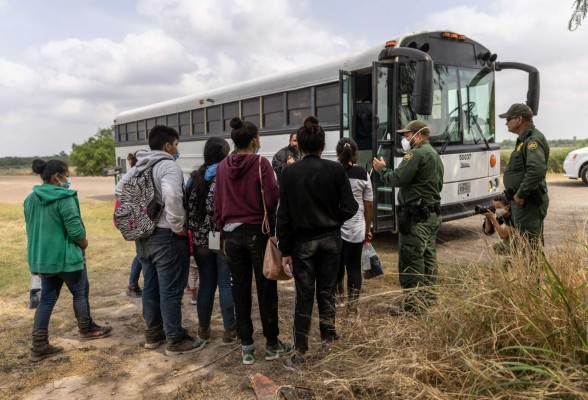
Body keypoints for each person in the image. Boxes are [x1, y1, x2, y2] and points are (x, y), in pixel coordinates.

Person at [115, 125, 205, 356]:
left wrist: (141, 213)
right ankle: (175, 339)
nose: (177, 149)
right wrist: (177, 226)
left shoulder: (138, 166)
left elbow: (119, 190)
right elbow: (173, 195)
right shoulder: (168, 165)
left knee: (150, 287)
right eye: (176, 144)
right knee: (171, 290)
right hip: (166, 236)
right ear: (168, 145)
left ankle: (153, 334)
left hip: (143, 236)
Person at [277, 116, 358, 367]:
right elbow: (350, 207)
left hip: (302, 244)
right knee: (327, 292)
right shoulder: (335, 169)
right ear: (322, 146)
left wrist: (285, 249)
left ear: (299, 146)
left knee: (304, 295)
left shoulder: (289, 172)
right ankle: (329, 337)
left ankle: (300, 348)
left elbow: (284, 216)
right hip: (331, 240)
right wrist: (334, 220)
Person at [214, 117, 291, 365]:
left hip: (231, 235)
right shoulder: (261, 164)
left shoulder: (223, 166)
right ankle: (271, 345)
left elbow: (217, 202)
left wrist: (221, 231)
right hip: (257, 233)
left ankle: (246, 346)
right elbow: (272, 198)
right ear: (255, 140)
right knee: (266, 289)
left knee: (240, 289)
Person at [24, 159, 112, 362]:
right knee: (80, 293)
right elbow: (75, 229)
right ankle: (87, 328)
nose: (68, 179)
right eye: (67, 175)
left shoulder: (30, 199)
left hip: (44, 259)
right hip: (67, 259)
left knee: (47, 299)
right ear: (58, 176)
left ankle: (39, 345)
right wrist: (84, 243)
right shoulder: (65, 197)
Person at [372, 120, 444, 316]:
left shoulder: (416, 154)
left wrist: (381, 169)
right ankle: (428, 299)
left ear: (418, 135)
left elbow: (397, 179)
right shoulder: (434, 155)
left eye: (406, 135)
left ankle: (413, 307)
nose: (405, 139)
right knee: (428, 258)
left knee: (411, 259)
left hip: (416, 218)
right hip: (431, 216)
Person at [187, 137, 237, 344]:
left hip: (199, 238)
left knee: (206, 283)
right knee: (225, 283)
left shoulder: (194, 176)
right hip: (217, 236)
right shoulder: (225, 175)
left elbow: (184, 202)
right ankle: (229, 331)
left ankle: (204, 329)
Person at [500, 103, 550, 251]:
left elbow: (536, 170)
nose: (506, 123)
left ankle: (534, 274)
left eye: (509, 119)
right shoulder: (524, 140)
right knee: (522, 246)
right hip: (523, 203)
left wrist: (521, 194)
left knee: (530, 248)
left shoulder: (532, 141)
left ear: (519, 119)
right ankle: (526, 274)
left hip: (528, 202)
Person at [335, 138, 373, 311]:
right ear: (355, 153)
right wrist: (368, 228)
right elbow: (369, 205)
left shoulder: (333, 171)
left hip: (335, 227)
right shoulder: (363, 173)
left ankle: (338, 297)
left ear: (337, 153)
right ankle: (353, 305)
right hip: (357, 228)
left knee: (336, 266)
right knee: (354, 268)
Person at [124, 150, 145, 298]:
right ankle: (132, 285)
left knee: (140, 254)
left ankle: (132, 284)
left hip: (135, 221)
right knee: (141, 254)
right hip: (140, 221)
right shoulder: (137, 175)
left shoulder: (132, 174)